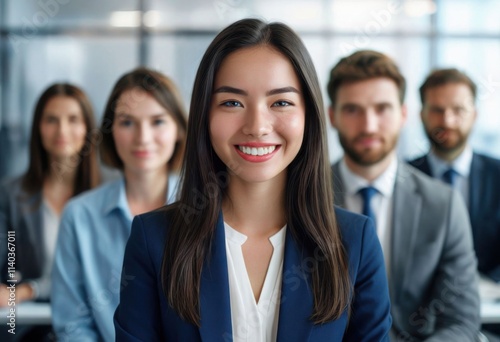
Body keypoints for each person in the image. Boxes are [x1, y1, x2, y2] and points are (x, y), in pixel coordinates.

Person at [114, 18, 391, 342]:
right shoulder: (154, 240)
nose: (257, 126)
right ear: (204, 114)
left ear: (309, 116)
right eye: (232, 102)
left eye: (281, 102)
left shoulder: (354, 243)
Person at [327, 50, 481, 341]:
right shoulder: (301, 196)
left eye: (382, 108)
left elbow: (461, 321)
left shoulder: (443, 204)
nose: (369, 125)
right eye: (353, 109)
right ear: (332, 116)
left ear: (403, 114)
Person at [51, 68, 188, 342]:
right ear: (110, 130)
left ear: (179, 130)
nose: (142, 137)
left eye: (158, 122)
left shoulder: (206, 209)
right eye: (127, 122)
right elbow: (72, 324)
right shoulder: (79, 216)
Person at [0, 83, 100, 340]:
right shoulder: (11, 195)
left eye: (73, 119)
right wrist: (15, 291)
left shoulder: (111, 192)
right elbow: (7, 271)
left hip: (94, 326)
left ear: (89, 128)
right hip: (28, 327)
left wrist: (29, 290)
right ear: (38, 129)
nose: (62, 130)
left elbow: (97, 277)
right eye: (51, 120)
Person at [409, 68, 500, 283]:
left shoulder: (497, 175)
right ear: (422, 115)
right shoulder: (402, 177)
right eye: (437, 110)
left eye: (458, 110)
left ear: (474, 115)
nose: (447, 121)